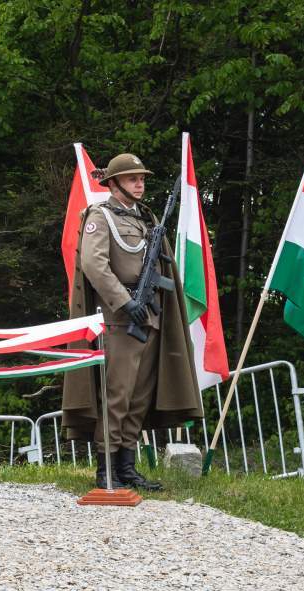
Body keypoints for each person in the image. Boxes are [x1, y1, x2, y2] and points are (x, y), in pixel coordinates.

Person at [61, 153, 202, 490]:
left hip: (148, 313)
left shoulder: (145, 219)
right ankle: (106, 468)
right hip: (120, 318)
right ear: (113, 183)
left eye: (141, 178)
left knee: (138, 396)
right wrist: (124, 303)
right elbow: (95, 265)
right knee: (117, 394)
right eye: (131, 178)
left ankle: (126, 466)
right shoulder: (100, 216)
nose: (139, 183)